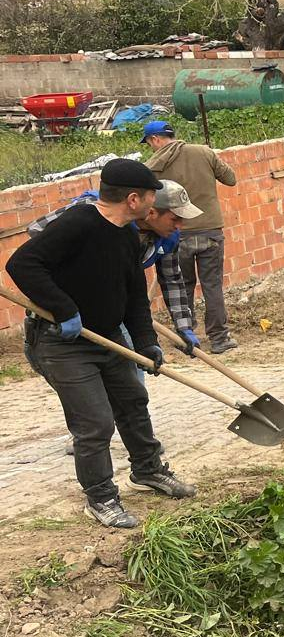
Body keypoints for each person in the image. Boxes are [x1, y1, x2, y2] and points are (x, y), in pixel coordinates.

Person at [5, 159, 196, 529]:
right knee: (94, 421)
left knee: (133, 402)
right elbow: (22, 264)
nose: (153, 204)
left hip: (107, 338)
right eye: (151, 197)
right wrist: (63, 309)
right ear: (134, 199)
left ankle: (148, 469)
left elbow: (135, 296)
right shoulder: (78, 224)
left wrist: (146, 342)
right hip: (63, 343)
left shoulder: (126, 234)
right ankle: (101, 497)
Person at [29, 179, 207, 359]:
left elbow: (172, 280)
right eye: (175, 218)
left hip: (113, 306)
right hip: (67, 307)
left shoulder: (167, 237)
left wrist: (184, 326)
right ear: (151, 212)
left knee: (131, 367)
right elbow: (37, 229)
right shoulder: (100, 211)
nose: (180, 226)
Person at [143, 119, 239, 353]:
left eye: (149, 143)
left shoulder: (151, 166)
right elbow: (231, 178)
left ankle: (187, 336)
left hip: (177, 233)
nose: (151, 148)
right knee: (212, 286)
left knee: (182, 284)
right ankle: (219, 338)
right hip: (210, 230)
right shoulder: (203, 152)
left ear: (155, 139)